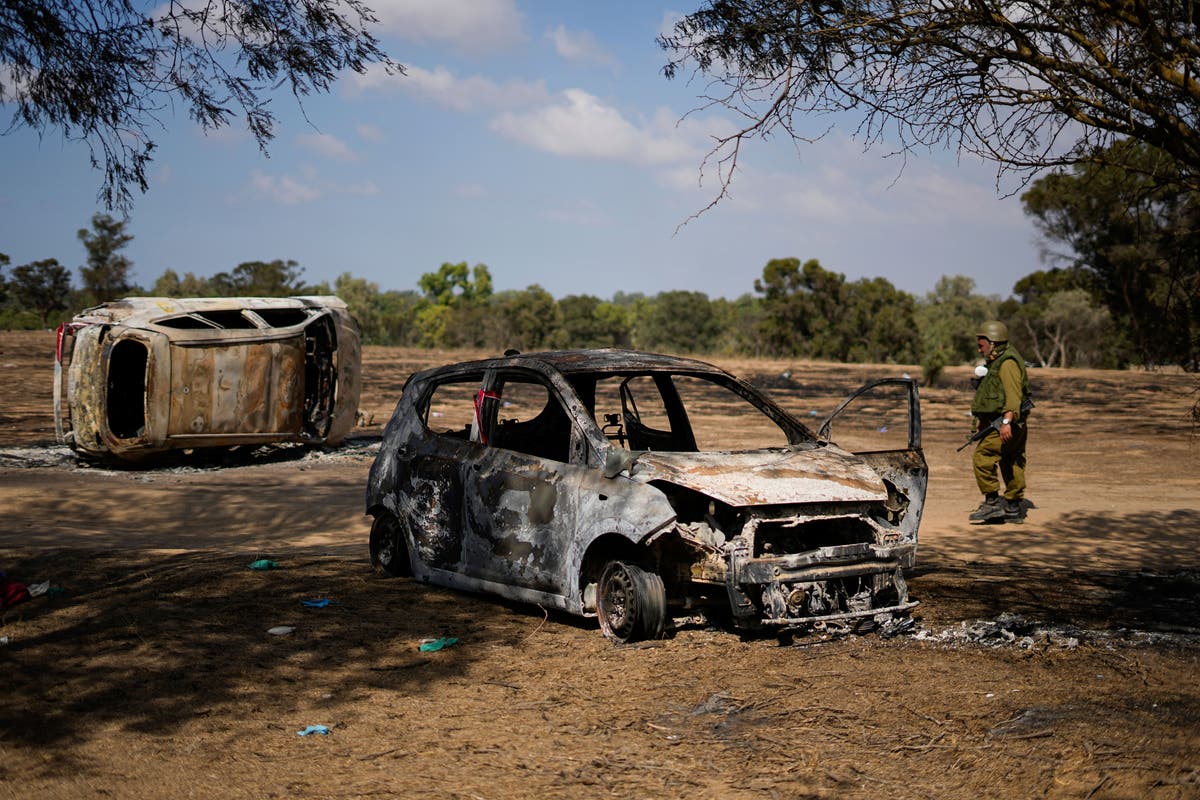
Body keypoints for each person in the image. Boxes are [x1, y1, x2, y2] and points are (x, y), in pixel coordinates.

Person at [968, 320, 1031, 523]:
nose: (980, 349)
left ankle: (993, 503)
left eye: (981, 345)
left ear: (993, 343)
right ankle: (1013, 507)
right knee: (1011, 460)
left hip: (1006, 422)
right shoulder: (998, 361)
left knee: (982, 457)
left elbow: (1013, 396)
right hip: (1006, 421)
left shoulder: (1007, 364)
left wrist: (1006, 422)